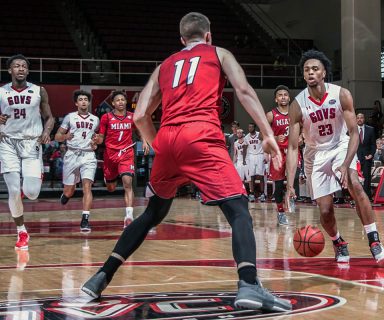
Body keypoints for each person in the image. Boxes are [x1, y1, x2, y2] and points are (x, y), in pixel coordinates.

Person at [81, 12, 291, 312]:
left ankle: (100, 277)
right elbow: (243, 91)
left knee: (153, 213)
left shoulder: (164, 65)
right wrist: (268, 133)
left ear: (181, 40)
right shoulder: (219, 53)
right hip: (201, 134)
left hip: (167, 138)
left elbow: (139, 115)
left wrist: (159, 145)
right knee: (238, 211)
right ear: (208, 35)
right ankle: (249, 284)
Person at [285, 49, 384, 265]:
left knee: (355, 184)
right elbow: (293, 147)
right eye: (306, 70)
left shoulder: (341, 94)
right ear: (303, 75)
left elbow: (354, 134)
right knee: (325, 210)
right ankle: (338, 242)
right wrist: (290, 184)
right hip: (315, 154)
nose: (310, 73)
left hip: (341, 145)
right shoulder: (297, 105)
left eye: (315, 69)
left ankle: (374, 241)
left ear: (324, 73)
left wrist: (345, 164)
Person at [0, 54, 54, 250]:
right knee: (13, 190)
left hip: (32, 142)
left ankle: (32, 178)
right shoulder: (1, 92)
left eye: (24, 66)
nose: (21, 68)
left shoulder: (39, 90)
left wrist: (47, 132)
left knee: (31, 193)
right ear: (10, 70)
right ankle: (21, 230)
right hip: (7, 143)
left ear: (28, 71)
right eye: (16, 66)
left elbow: (49, 118)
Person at [93, 91, 149, 228]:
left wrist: (145, 141)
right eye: (117, 100)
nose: (120, 102)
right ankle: (109, 179)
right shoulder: (106, 117)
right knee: (111, 188)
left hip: (126, 153)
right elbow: (101, 136)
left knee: (127, 183)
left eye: (123, 100)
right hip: (110, 154)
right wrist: (96, 140)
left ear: (125, 102)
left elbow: (139, 130)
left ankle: (128, 216)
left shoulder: (132, 117)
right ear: (113, 103)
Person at [55, 90, 100, 232]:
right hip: (72, 154)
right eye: (80, 99)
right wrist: (65, 136)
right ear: (76, 103)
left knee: (87, 187)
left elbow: (96, 139)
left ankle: (85, 220)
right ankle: (66, 194)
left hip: (88, 155)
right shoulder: (70, 117)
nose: (83, 101)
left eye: (86, 99)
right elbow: (57, 136)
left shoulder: (95, 120)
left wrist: (95, 143)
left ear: (89, 102)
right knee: (70, 190)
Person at [266, 85, 291, 225]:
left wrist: (301, 137)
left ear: (289, 97)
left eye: (285, 95)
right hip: (278, 153)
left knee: (297, 178)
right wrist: (275, 138)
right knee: (279, 184)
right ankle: (281, 212)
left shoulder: (295, 113)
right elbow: (262, 136)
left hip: (293, 150)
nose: (283, 97)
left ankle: (291, 198)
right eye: (280, 95)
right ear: (276, 99)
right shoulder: (271, 115)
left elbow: (304, 128)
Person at [356, 113, 376, 200]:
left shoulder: (370, 129)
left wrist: (371, 154)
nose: (360, 119)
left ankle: (367, 197)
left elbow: (373, 144)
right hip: (355, 158)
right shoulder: (351, 130)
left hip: (367, 157)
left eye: (361, 118)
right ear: (356, 119)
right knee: (356, 178)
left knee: (367, 178)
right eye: (358, 118)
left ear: (364, 119)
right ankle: (356, 197)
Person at [245, 123, 266, 202]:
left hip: (260, 155)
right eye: (249, 127)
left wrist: (265, 155)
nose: (250, 128)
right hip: (251, 156)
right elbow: (245, 148)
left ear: (254, 127)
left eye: (251, 127)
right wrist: (245, 159)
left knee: (261, 175)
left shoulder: (259, 135)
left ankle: (262, 194)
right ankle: (252, 194)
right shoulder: (246, 137)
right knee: (252, 176)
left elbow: (264, 144)